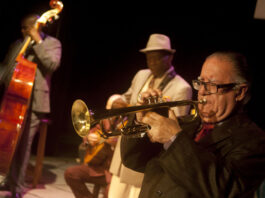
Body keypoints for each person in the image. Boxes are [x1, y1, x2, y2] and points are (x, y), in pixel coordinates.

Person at [120, 51, 265, 198]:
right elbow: (134, 160)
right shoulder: (184, 123)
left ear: (239, 92)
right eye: (201, 83)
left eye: (211, 85)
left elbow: (223, 188)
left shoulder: (254, 140)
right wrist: (140, 120)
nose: (202, 92)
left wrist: (173, 140)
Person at [107, 33, 192, 198]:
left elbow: (173, 127)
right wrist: (117, 100)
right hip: (125, 153)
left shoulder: (181, 87)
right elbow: (127, 96)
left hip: (145, 158)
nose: (151, 62)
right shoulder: (141, 75)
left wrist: (135, 110)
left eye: (157, 58)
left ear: (170, 57)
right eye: (148, 58)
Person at [0, 13, 61, 198]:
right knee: (9, 143)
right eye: (23, 28)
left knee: (24, 145)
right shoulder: (18, 45)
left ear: (36, 27)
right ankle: (7, 179)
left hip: (35, 102)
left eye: (26, 28)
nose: (23, 31)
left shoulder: (52, 44)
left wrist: (38, 43)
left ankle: (18, 187)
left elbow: (52, 65)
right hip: (13, 98)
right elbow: (6, 69)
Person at [64, 127, 117, 198]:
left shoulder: (125, 121)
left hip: (115, 173)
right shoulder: (105, 120)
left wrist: (116, 141)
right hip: (97, 168)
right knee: (70, 173)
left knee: (110, 192)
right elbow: (91, 133)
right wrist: (88, 138)